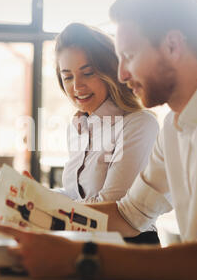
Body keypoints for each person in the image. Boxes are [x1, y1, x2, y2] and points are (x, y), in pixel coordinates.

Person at [0, 0, 197, 280]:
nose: (121, 74)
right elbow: (128, 215)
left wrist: (78, 256)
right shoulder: (174, 128)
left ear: (173, 46)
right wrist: (41, 208)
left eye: (129, 55)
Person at [27, 23, 160, 243]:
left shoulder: (139, 125)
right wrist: (37, 195)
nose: (77, 86)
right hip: (83, 242)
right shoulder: (79, 126)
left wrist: (46, 206)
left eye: (87, 73)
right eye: (67, 77)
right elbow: (76, 196)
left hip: (129, 249)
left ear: (111, 71)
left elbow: (112, 207)